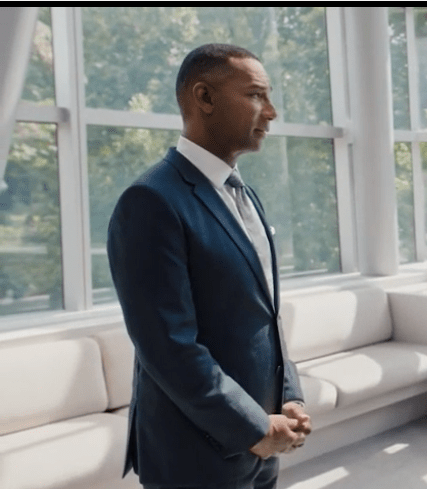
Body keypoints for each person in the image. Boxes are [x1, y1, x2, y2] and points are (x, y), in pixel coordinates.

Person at [107, 43, 312, 489]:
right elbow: (169, 348)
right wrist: (252, 428)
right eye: (257, 95)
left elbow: (264, 317)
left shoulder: (246, 194)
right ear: (204, 98)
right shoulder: (150, 201)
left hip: (263, 442)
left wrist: (289, 398)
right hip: (194, 458)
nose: (271, 112)